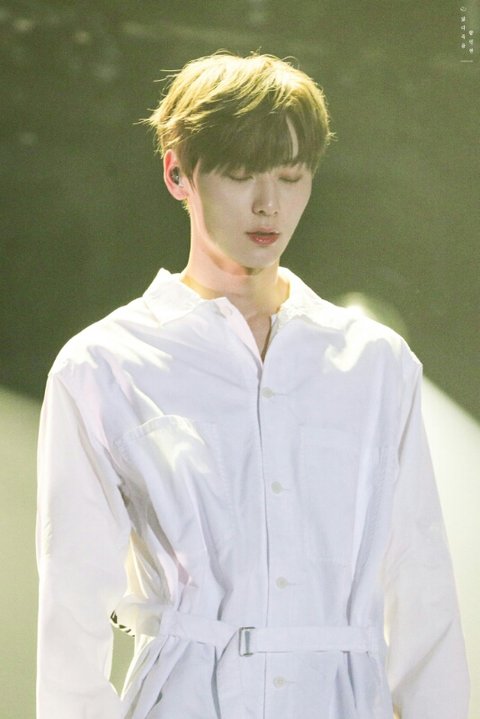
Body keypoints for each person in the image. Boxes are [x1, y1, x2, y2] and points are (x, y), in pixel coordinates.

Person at [36, 52, 469, 719]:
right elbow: (71, 603)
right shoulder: (106, 364)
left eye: (291, 176)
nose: (269, 203)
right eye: (241, 175)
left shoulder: (375, 364)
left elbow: (421, 586)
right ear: (178, 172)